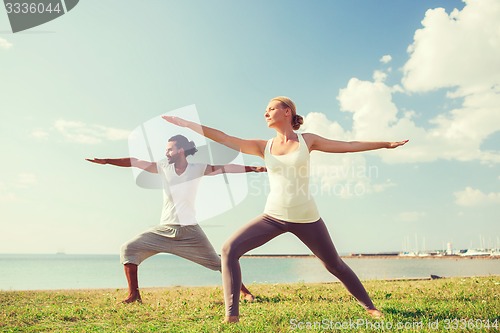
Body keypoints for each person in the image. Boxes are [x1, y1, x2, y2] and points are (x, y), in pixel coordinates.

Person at [163, 97, 408, 323]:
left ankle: (370, 307)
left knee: (334, 265)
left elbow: (348, 145)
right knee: (228, 250)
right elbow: (224, 137)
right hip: (273, 217)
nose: (266, 113)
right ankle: (232, 316)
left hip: (307, 217)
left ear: (287, 111)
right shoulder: (263, 146)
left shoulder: (307, 140)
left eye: (271, 108)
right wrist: (187, 124)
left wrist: (385, 144)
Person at [87, 134, 265, 304]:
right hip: (164, 230)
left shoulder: (197, 168)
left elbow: (225, 168)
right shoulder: (163, 167)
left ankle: (245, 291)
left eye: (169, 149)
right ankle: (134, 295)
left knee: (219, 263)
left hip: (190, 231)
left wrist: (252, 168)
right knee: (128, 249)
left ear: (181, 150)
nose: (166, 153)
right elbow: (135, 161)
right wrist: (108, 161)